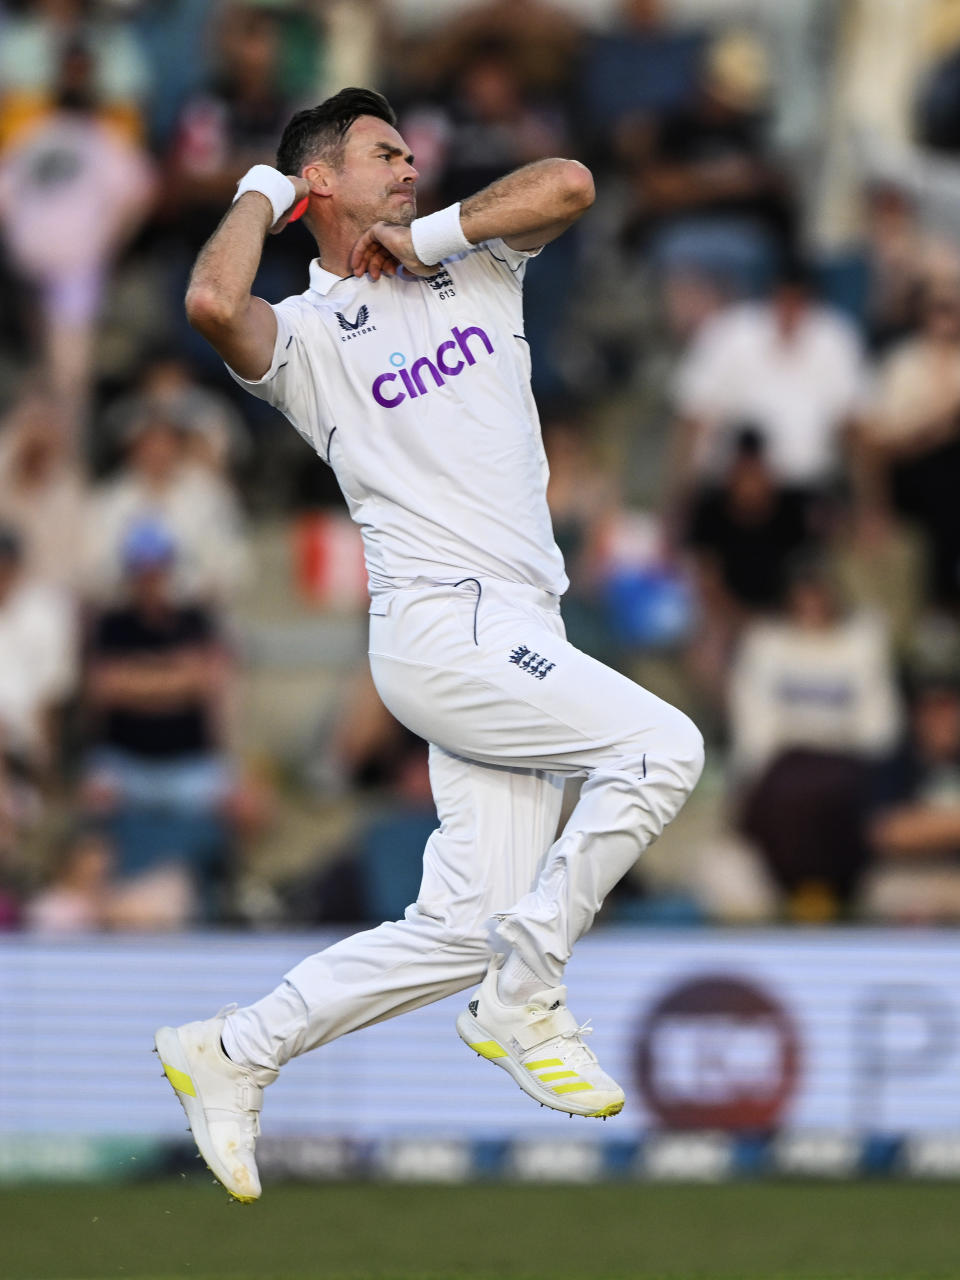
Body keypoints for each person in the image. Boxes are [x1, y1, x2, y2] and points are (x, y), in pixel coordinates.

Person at [154, 87, 703, 1202]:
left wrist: (433, 233)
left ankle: (235, 1048)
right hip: (441, 624)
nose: (411, 166)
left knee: (461, 926)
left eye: (411, 152)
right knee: (663, 748)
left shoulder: (476, 262)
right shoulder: (305, 338)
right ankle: (525, 995)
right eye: (383, 154)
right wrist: (265, 188)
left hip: (519, 623)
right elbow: (214, 298)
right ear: (322, 184)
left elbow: (573, 183)